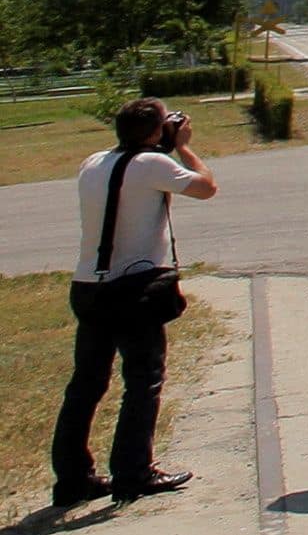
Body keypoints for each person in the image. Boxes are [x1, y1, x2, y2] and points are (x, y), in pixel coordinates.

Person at [52, 98, 215, 508]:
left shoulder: (93, 162)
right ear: (157, 132)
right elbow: (206, 186)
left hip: (88, 285)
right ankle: (134, 472)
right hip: (132, 288)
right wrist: (183, 146)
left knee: (85, 386)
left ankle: (72, 480)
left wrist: (163, 144)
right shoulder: (154, 165)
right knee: (143, 381)